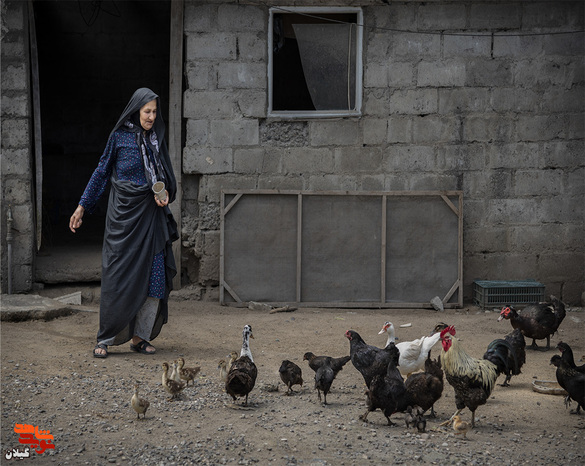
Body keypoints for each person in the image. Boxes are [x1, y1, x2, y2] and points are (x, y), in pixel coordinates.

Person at [69, 88, 178, 358]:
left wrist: (164, 195)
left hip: (151, 218)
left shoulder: (156, 139)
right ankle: (105, 337)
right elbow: (101, 172)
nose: (152, 116)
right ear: (136, 111)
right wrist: (82, 206)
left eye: (155, 111)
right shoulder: (119, 138)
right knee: (116, 275)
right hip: (123, 219)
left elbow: (165, 175)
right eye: (147, 111)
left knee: (154, 276)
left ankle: (140, 337)